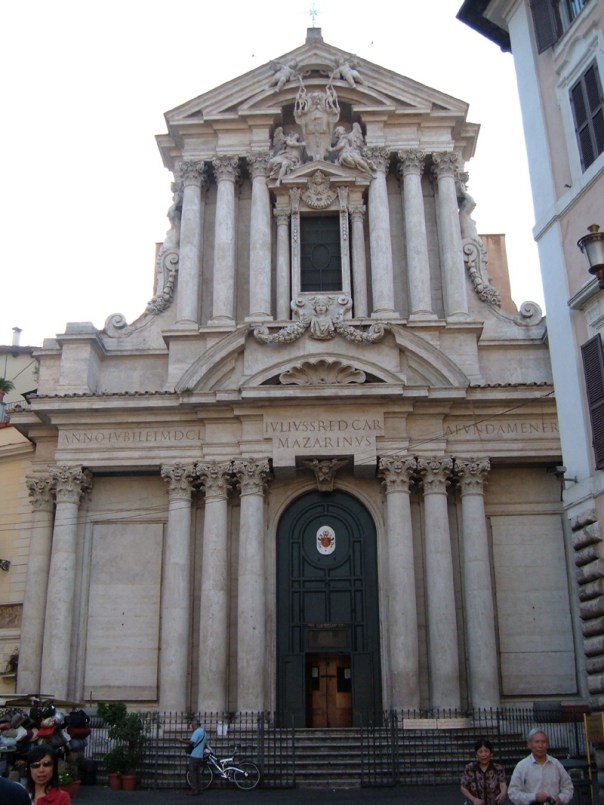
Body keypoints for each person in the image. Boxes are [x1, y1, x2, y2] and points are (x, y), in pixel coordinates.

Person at [508, 728, 574, 805]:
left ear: (547, 745)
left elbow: (568, 787)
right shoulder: (522, 766)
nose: (540, 745)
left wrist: (561, 798)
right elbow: (513, 793)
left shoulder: (556, 764)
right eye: (537, 742)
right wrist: (534, 797)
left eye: (543, 742)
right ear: (529, 745)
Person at [460, 738, 507, 805]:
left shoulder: (498, 768)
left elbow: (502, 783)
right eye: (480, 752)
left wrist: (503, 793)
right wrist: (474, 799)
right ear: (476, 755)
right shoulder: (470, 768)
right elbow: (463, 787)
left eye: (486, 751)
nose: (483, 754)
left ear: (491, 754)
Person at [178, 718, 208, 796]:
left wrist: (182, 740)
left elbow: (192, 742)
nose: (192, 727)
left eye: (192, 726)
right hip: (200, 756)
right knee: (197, 773)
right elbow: (205, 744)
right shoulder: (204, 732)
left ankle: (194, 789)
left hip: (194, 755)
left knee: (192, 773)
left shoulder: (197, 732)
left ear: (195, 725)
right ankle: (199, 789)